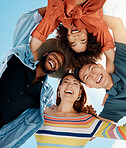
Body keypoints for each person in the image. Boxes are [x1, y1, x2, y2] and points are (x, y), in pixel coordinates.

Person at [0, 7, 66, 148]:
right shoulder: (21, 54)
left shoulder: (45, 95)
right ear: (45, 54)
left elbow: (56, 116)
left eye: (59, 64)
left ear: (55, 70)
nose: (56, 61)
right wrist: (55, 9)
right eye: (54, 55)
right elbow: (27, 21)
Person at [35, 73, 126, 148]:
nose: (70, 85)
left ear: (79, 94)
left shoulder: (86, 121)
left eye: (75, 83)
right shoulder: (41, 113)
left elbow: (125, 133)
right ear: (59, 89)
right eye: (66, 82)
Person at [74, 15, 126, 123]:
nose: (94, 75)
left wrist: (80, 19)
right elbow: (92, 134)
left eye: (92, 69)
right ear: (89, 86)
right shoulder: (111, 108)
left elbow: (117, 23)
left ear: (101, 66)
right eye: (87, 77)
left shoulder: (123, 58)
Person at [31, 0, 115, 72]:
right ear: (88, 35)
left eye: (73, 43)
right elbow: (110, 56)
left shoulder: (57, 15)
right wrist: (110, 87)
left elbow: (38, 36)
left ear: (67, 38)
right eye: (83, 40)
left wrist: (34, 57)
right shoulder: (95, 22)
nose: (76, 37)